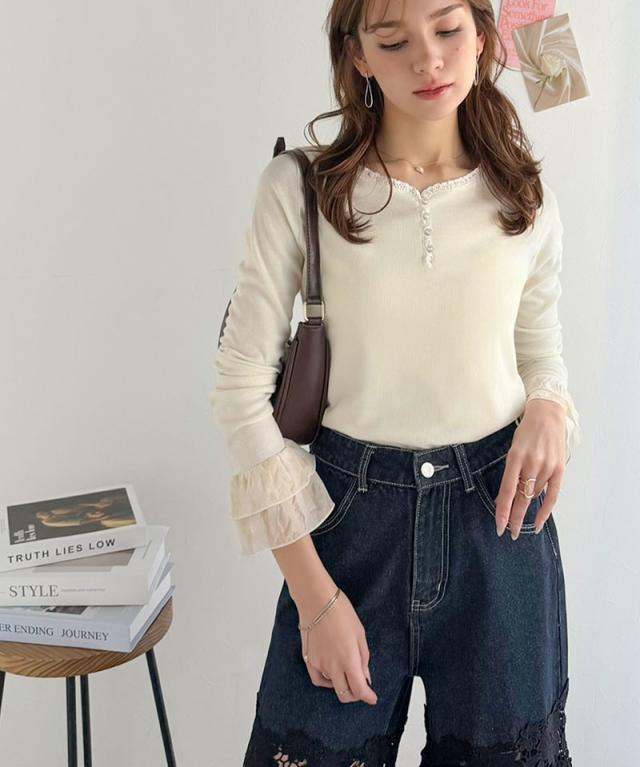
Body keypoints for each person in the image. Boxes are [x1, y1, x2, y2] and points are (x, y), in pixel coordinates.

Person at [210, 0, 582, 764]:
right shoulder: (301, 187)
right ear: (358, 55)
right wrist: (315, 600)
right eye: (393, 40)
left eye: (448, 30)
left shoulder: (525, 193)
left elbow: (539, 348)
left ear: (483, 35)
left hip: (500, 525)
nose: (428, 60)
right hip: (348, 529)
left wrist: (550, 407)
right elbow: (240, 390)